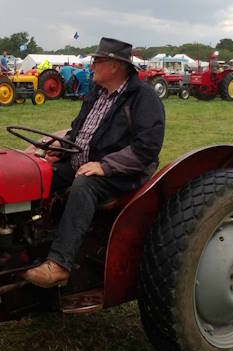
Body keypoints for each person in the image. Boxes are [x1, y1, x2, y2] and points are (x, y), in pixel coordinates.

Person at [23, 37, 165, 289]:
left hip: (123, 170)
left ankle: (59, 264)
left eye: (97, 61)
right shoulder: (96, 94)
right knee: (37, 175)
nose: (92, 66)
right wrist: (60, 147)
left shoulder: (143, 98)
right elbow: (80, 132)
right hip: (82, 162)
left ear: (115, 66)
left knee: (83, 185)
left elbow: (147, 148)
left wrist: (105, 166)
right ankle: (23, 245)